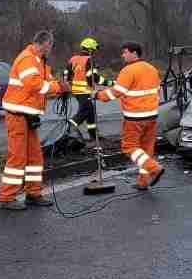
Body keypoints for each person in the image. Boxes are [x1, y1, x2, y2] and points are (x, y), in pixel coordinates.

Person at [0, 30, 64, 210]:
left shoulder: (39, 62)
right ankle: (6, 196)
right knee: (17, 157)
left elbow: (46, 81)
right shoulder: (28, 58)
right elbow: (33, 84)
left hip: (28, 114)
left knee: (35, 157)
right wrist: (58, 87)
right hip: (18, 114)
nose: (51, 49)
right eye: (51, 45)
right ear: (46, 43)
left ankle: (33, 193)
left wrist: (59, 86)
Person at [97, 42, 163, 190]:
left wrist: (98, 95)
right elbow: (157, 90)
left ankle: (154, 169)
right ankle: (143, 181)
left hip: (135, 117)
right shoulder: (152, 69)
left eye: (125, 52)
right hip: (152, 115)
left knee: (129, 147)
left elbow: (117, 91)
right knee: (146, 149)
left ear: (134, 53)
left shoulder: (128, 70)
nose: (123, 55)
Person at [65, 37, 104, 141]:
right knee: (84, 112)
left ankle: (93, 135)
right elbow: (94, 78)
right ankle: (68, 130)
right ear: (90, 49)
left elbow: (67, 75)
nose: (95, 52)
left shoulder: (73, 59)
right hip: (86, 91)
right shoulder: (89, 60)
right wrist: (110, 83)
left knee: (90, 112)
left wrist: (69, 85)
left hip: (76, 91)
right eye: (94, 50)